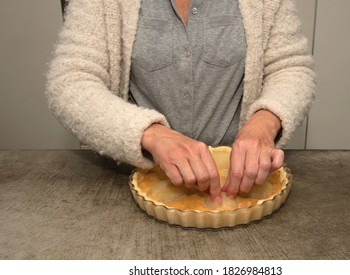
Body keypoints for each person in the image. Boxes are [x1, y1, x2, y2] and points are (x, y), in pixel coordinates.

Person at [46, 0, 316, 204]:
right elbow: (71, 81)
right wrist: (151, 135)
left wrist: (264, 124)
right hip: (133, 189)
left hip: (242, 189)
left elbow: (291, 67)